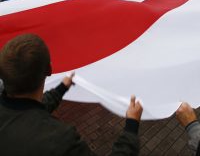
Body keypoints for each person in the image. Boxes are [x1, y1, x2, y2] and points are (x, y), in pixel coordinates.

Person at [0, 34, 143, 156]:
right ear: (49, 69)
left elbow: (31, 110)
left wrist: (62, 87)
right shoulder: (60, 140)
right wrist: (131, 125)